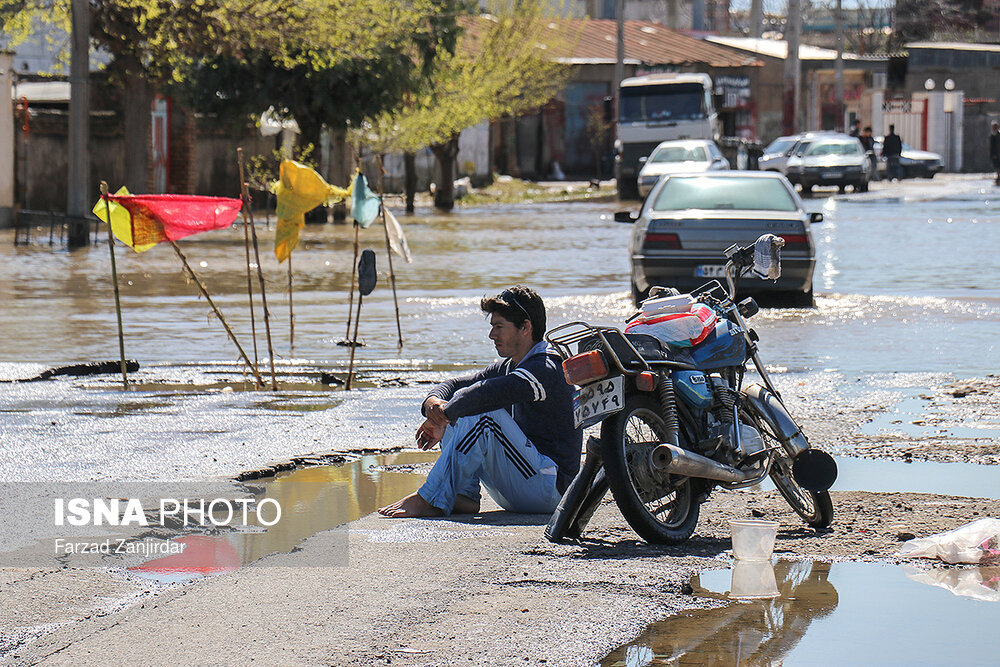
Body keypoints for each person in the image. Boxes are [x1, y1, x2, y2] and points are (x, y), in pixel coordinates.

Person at [378, 286, 582, 518]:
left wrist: (443, 417)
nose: (492, 335)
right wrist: (434, 405)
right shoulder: (510, 365)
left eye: (499, 327)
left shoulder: (546, 367)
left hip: (550, 490)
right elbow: (456, 385)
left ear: (525, 327)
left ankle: (432, 498)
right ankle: (464, 496)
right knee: (463, 404)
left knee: (481, 413)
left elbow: (486, 394)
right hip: (524, 486)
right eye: (492, 327)